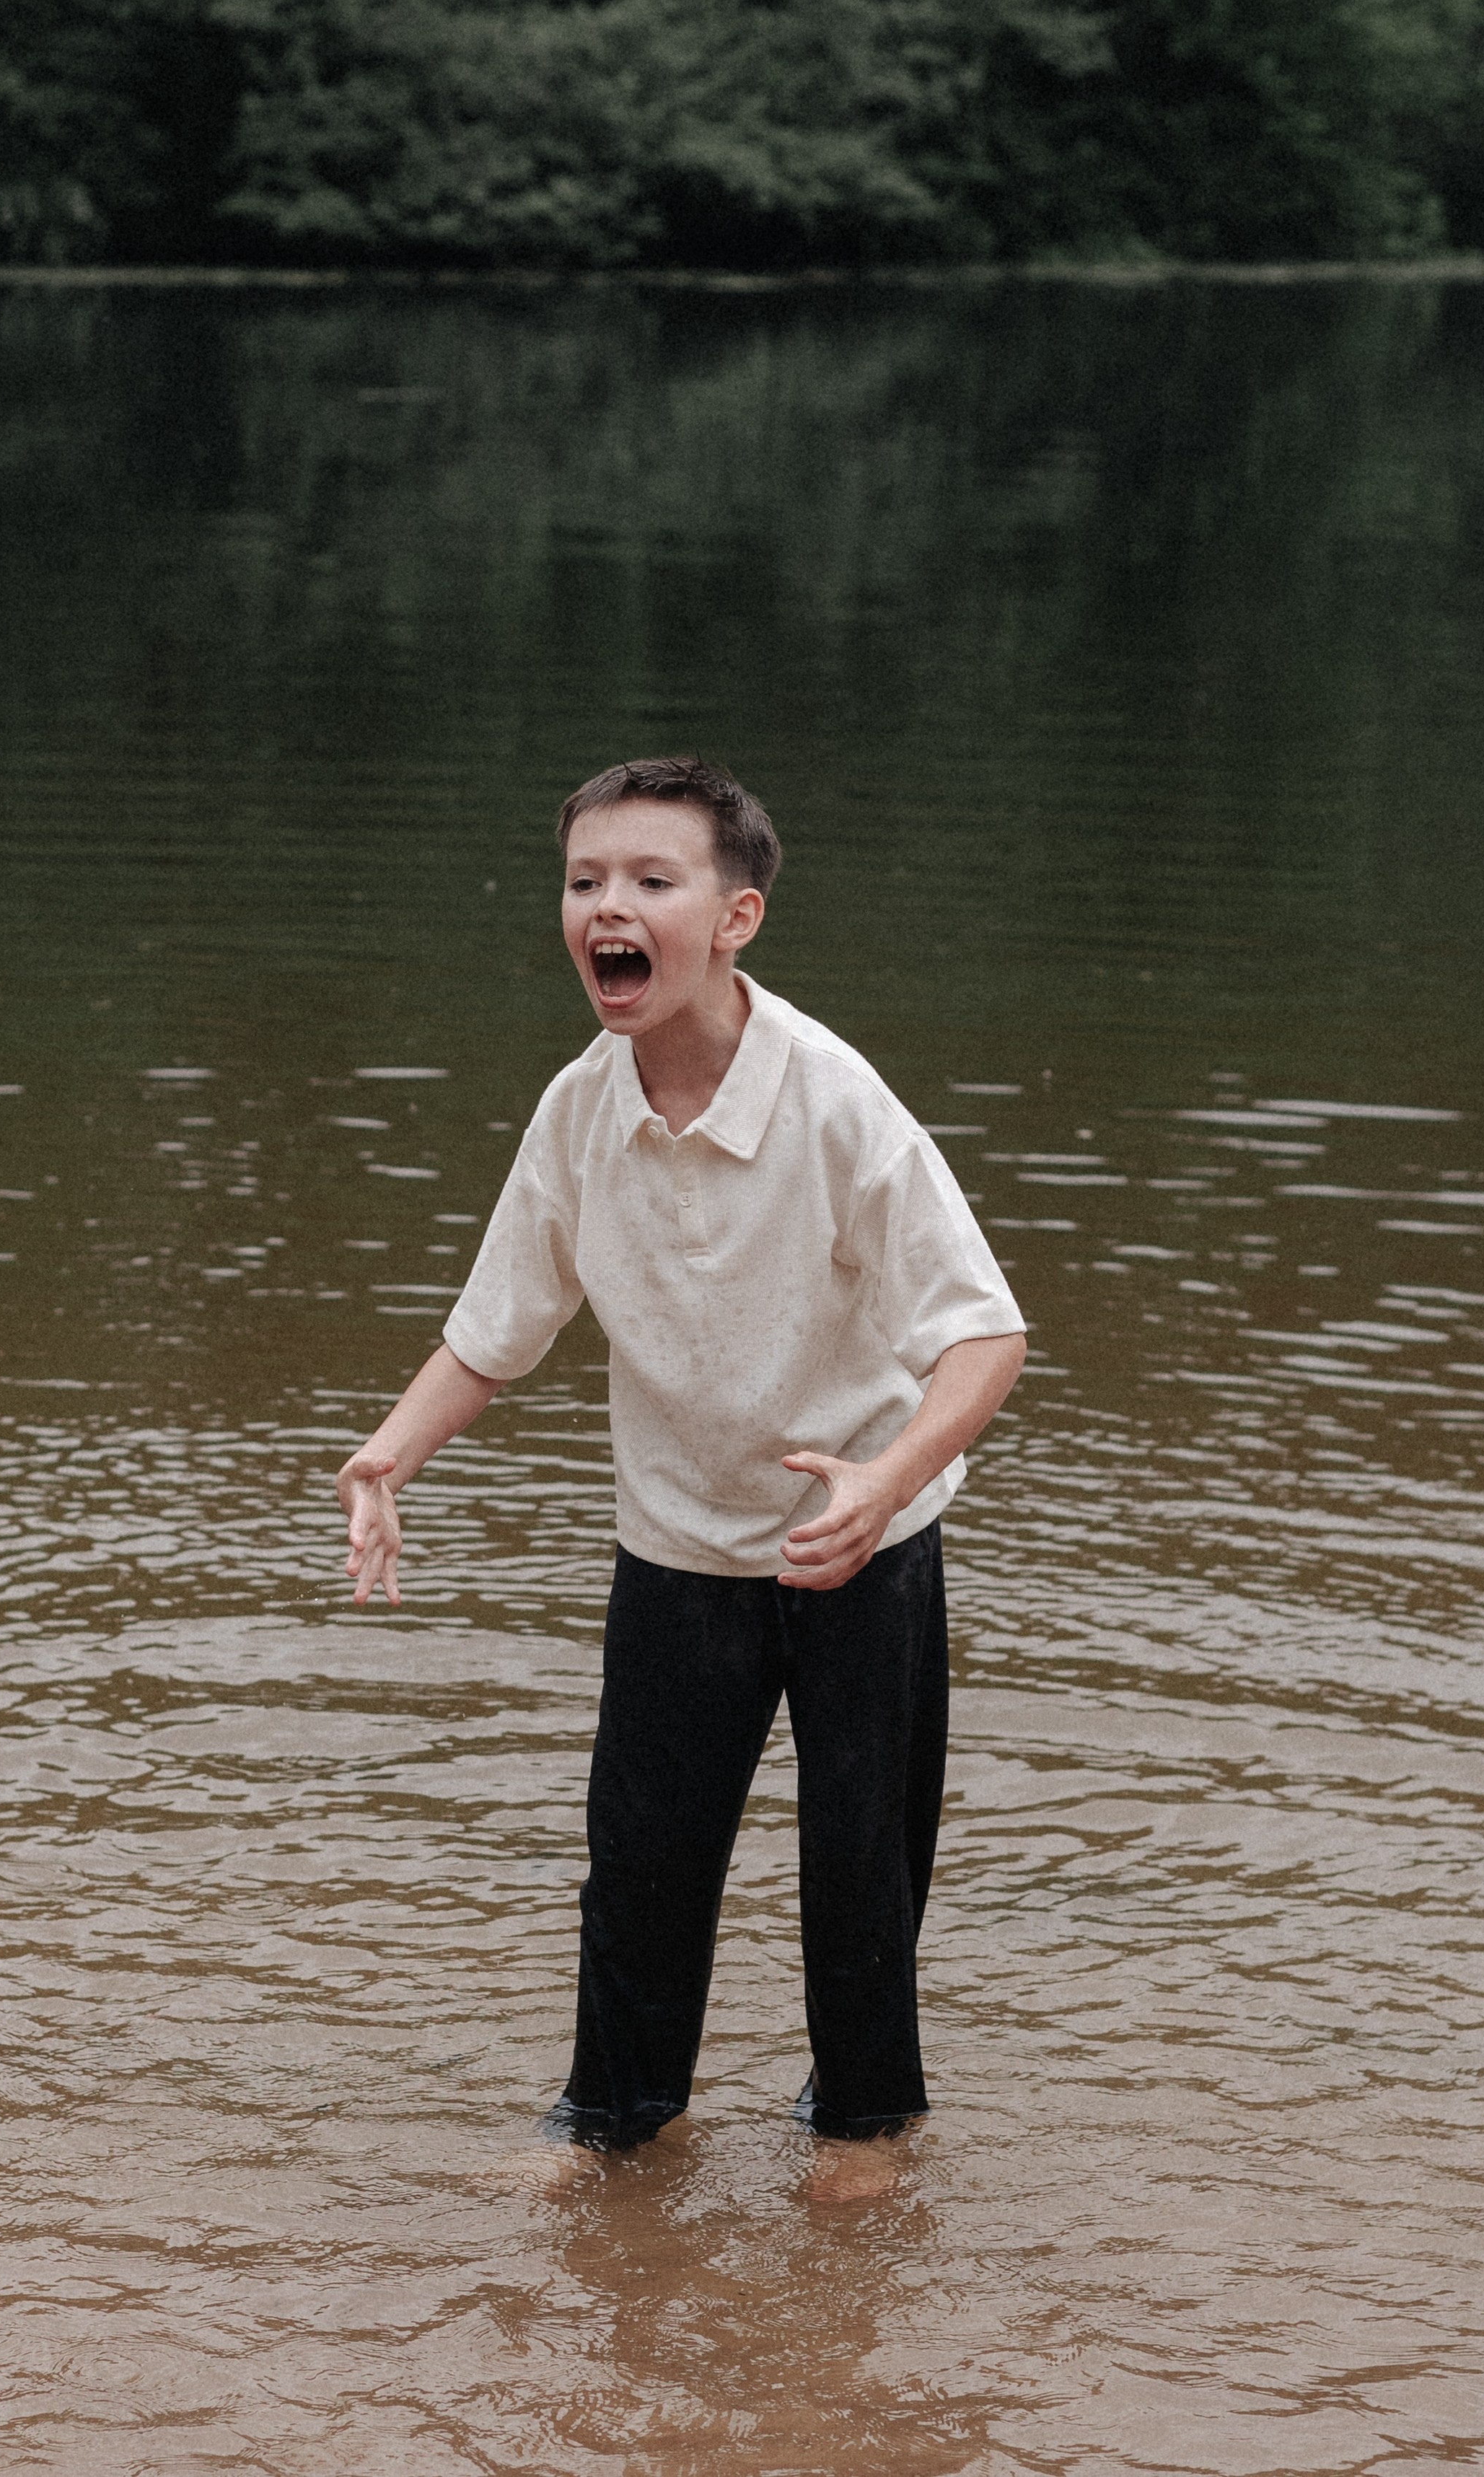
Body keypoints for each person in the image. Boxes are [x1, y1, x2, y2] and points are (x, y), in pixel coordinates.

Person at [337, 757, 1025, 2181]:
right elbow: (498, 1325)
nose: (609, 907)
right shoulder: (582, 1111)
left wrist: (886, 1484)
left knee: (858, 1875)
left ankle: (865, 2140)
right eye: (587, 881)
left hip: (862, 1544)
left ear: (737, 918)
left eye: (652, 880)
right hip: (676, 1554)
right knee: (640, 1872)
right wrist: (390, 1453)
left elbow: (985, 1336)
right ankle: (613, 2128)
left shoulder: (836, 1104)